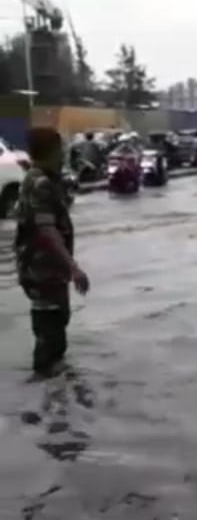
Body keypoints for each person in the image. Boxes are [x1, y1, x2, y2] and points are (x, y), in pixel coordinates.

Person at [14, 127, 90, 375]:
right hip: (44, 270)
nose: (64, 153)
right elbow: (47, 230)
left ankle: (53, 402)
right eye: (61, 148)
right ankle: (46, 401)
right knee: (50, 338)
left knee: (54, 330)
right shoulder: (40, 182)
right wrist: (74, 267)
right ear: (52, 150)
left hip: (45, 270)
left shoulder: (39, 177)